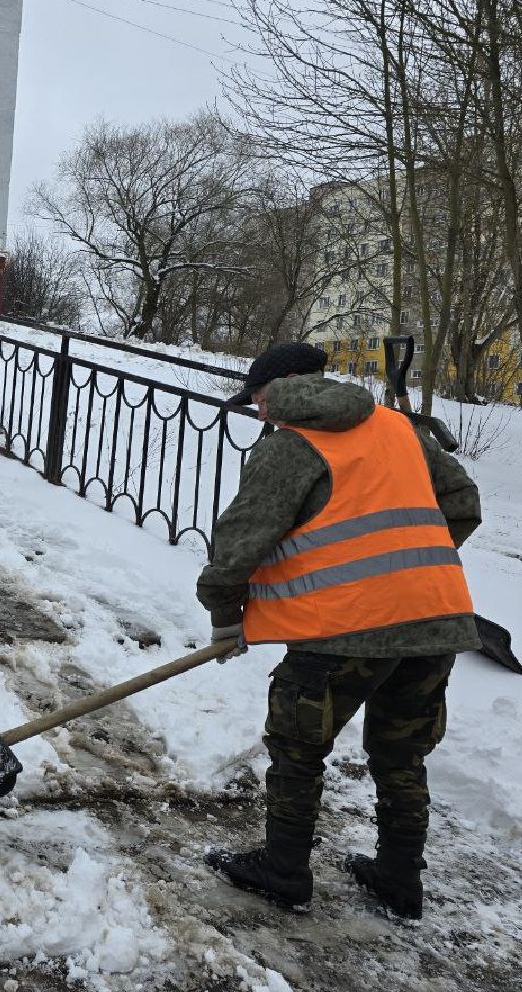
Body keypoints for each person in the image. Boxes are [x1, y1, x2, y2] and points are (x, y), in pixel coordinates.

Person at [197, 341, 482, 919]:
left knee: (298, 747)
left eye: (255, 399)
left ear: (273, 391)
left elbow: (239, 542)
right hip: (435, 618)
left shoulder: (289, 444)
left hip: (343, 629)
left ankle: (283, 869)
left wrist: (225, 613)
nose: (255, 412)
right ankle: (400, 880)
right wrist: (411, 567)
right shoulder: (400, 428)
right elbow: (463, 502)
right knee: (402, 754)